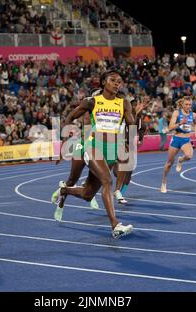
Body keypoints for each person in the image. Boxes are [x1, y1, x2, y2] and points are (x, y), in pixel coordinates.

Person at [54, 69, 144, 238]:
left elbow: (131, 124)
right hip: (93, 145)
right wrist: (64, 141)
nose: (117, 83)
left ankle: (64, 191)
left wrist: (127, 140)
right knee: (107, 181)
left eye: (119, 81)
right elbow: (70, 117)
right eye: (113, 80)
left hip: (111, 150)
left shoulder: (124, 103)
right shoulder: (92, 102)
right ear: (103, 82)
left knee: (88, 194)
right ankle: (115, 226)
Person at [161, 96, 196, 193]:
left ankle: (180, 160)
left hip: (186, 140)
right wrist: (180, 123)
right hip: (176, 139)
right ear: (182, 104)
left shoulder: (194, 115)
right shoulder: (177, 112)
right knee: (169, 163)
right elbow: (170, 127)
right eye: (186, 104)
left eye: (190, 104)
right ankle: (163, 182)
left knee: (189, 155)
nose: (188, 106)